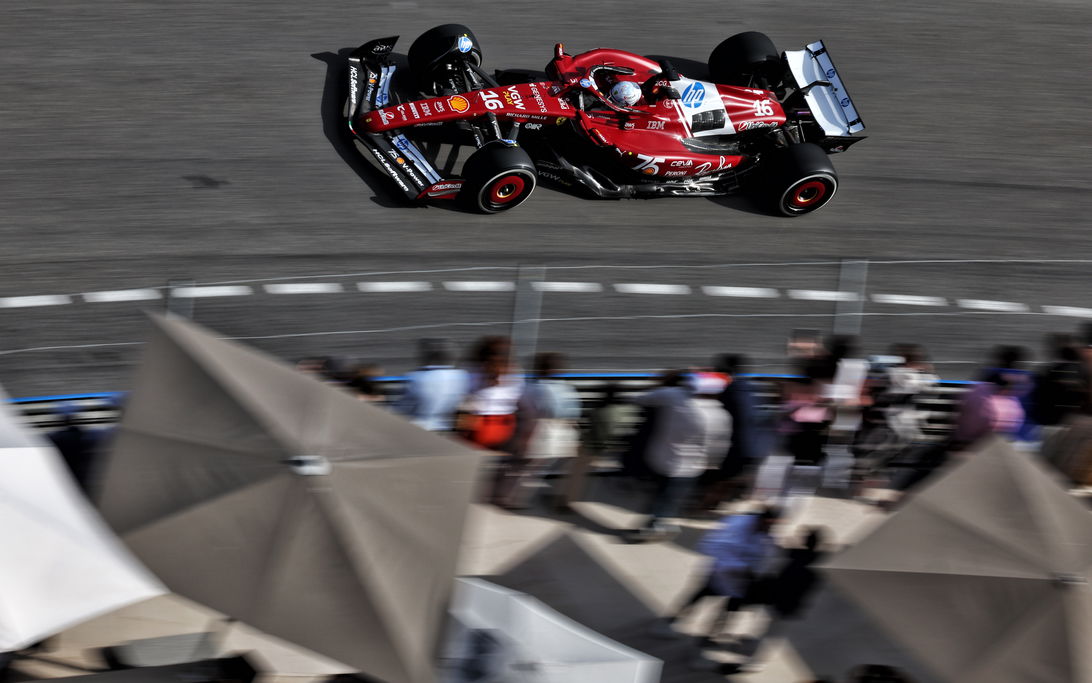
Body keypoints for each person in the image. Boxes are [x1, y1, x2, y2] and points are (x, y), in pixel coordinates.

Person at [651, 506, 781, 646]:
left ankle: (709, 637)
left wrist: (755, 572)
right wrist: (740, 567)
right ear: (762, 519)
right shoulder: (737, 524)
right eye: (768, 524)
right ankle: (671, 621)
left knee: (729, 609)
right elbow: (710, 546)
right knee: (699, 597)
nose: (769, 528)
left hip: (741, 581)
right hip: (719, 573)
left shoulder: (765, 534)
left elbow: (765, 556)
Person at [723, 527, 828, 674]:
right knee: (770, 632)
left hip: (780, 600)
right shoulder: (820, 561)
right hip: (790, 603)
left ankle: (754, 663)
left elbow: (778, 565)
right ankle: (753, 653)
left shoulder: (795, 554)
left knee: (768, 633)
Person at [624, 370, 712, 541]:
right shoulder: (711, 406)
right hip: (694, 463)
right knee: (671, 495)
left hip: (669, 460)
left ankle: (654, 526)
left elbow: (638, 399)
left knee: (662, 494)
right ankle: (664, 521)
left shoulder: (671, 395)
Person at [494, 352, 581, 510]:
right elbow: (574, 415)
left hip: (539, 432)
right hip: (561, 434)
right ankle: (519, 500)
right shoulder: (567, 389)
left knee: (520, 468)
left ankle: (507, 499)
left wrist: (525, 438)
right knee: (536, 470)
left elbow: (527, 413)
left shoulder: (533, 388)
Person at [394, 338, 470, 431]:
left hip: (420, 427)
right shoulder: (462, 375)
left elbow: (402, 408)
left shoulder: (415, 377)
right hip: (448, 426)